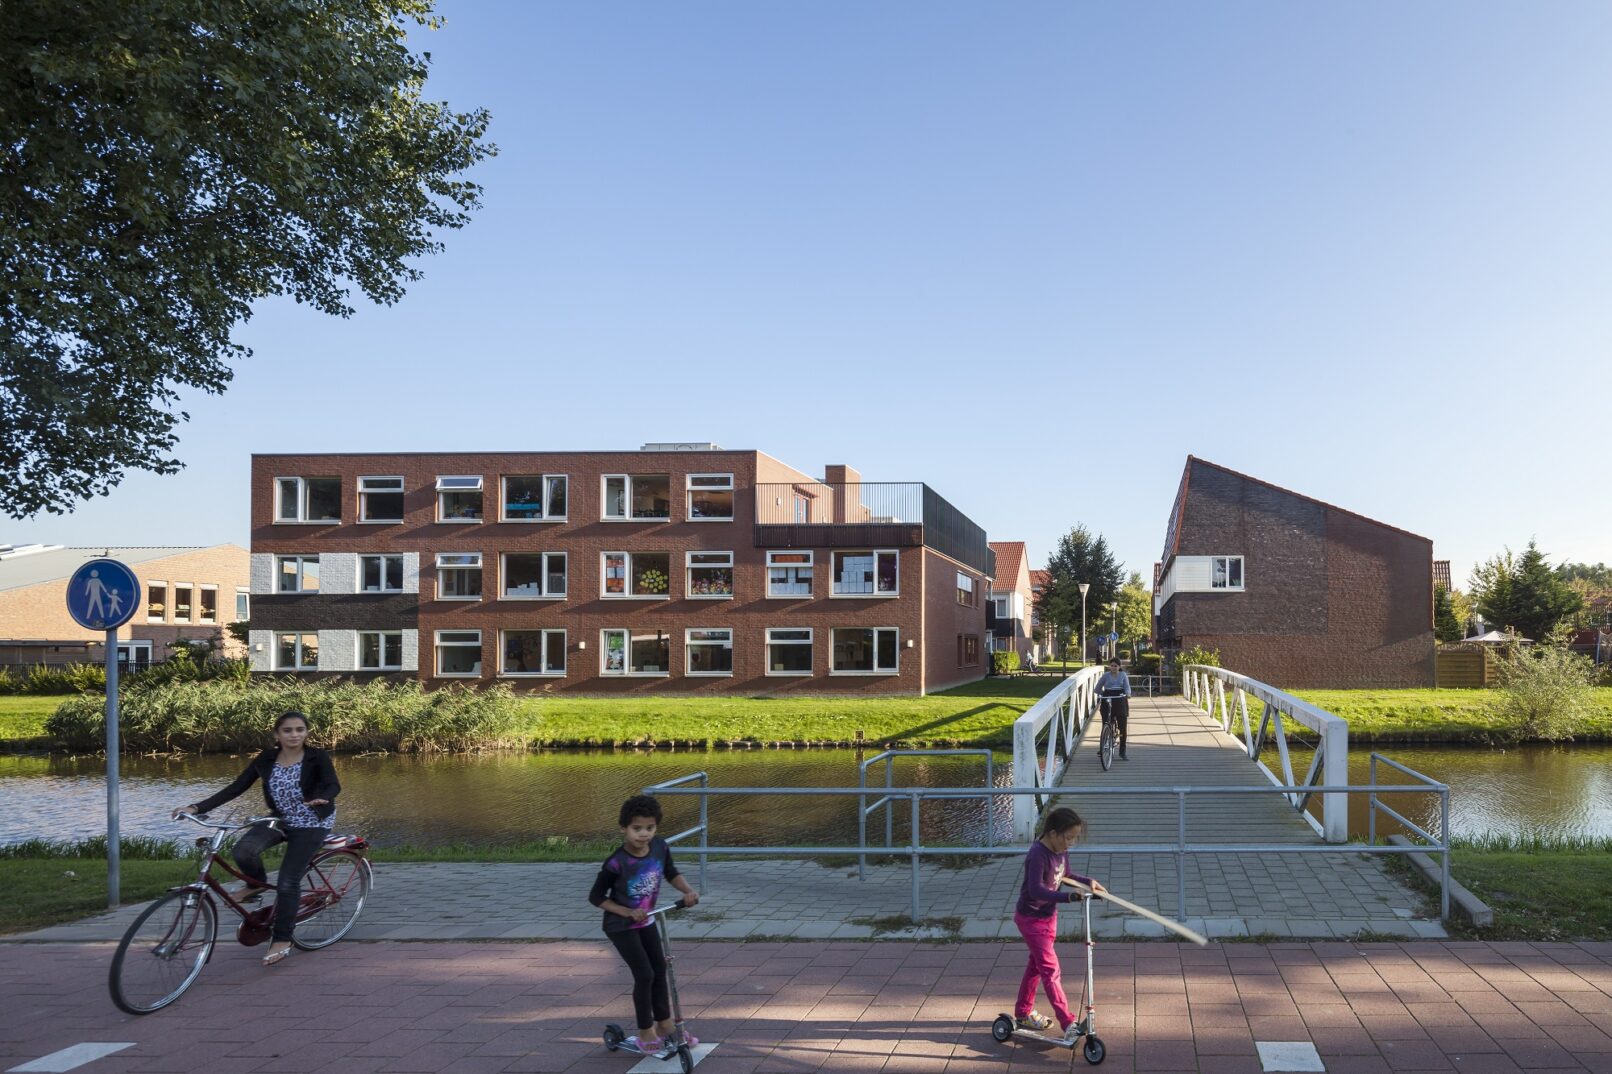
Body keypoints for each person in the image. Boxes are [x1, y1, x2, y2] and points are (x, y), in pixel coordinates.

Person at [174, 710, 340, 966]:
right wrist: (196, 808)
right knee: (244, 850)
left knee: (287, 881)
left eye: (299, 730)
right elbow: (237, 787)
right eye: (287, 730)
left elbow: (332, 784)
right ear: (277, 734)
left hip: (312, 821)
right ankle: (257, 884)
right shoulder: (267, 758)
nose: (294, 735)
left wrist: (324, 798)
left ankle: (283, 938)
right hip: (281, 818)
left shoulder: (317, 757)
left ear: (306, 733)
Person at [589, 795, 701, 1056]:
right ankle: (645, 1032)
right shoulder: (616, 862)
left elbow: (671, 872)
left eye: (649, 828)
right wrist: (627, 911)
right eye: (637, 829)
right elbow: (596, 897)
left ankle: (664, 1024)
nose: (644, 834)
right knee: (645, 975)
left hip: (647, 920)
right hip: (620, 925)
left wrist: (687, 892)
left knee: (660, 969)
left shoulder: (660, 847)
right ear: (624, 829)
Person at [1014, 807, 1106, 1043]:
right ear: (1053, 833)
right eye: (1068, 837)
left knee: (1037, 965)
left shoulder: (1060, 850)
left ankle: (1023, 1012)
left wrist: (1088, 883)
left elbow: (1067, 874)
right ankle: (1068, 1022)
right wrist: (1068, 897)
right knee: (1050, 970)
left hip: (1047, 917)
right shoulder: (1038, 853)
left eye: (1074, 838)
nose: (1070, 843)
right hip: (1031, 919)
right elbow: (1035, 890)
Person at [1096, 657, 1132, 760]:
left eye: (1115, 666)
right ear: (1109, 666)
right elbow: (1097, 688)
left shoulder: (1123, 675)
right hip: (1108, 698)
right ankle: (1103, 746)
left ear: (1119, 667)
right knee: (1106, 724)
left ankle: (1122, 751)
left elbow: (1127, 686)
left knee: (1122, 727)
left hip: (1120, 698)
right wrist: (1102, 694)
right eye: (1111, 665)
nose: (1113, 668)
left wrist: (1128, 694)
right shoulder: (1105, 676)